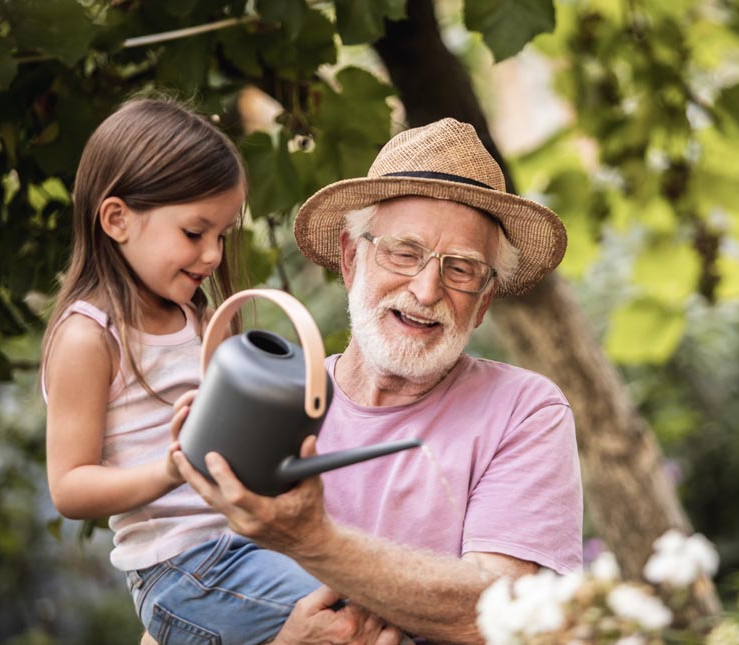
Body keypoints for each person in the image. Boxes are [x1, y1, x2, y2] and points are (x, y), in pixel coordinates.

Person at [173, 117, 584, 643]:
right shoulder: (269, 401)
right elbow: (177, 600)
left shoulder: (524, 409)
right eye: (404, 253)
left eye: (461, 270)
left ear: (483, 302)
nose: (427, 288)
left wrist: (314, 539)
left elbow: (505, 614)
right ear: (350, 259)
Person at [41, 97, 400, 645]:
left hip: (245, 543)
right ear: (117, 219)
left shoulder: (201, 318)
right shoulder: (88, 337)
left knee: (380, 604)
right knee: (362, 616)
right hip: (184, 569)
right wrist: (170, 469)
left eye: (222, 235)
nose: (212, 255)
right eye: (194, 233)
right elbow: (69, 488)